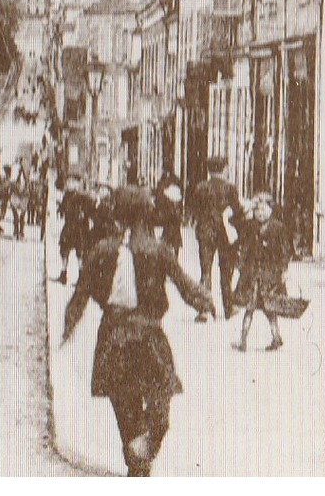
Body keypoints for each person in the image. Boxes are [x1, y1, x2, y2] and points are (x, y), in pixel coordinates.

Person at [61, 186, 215, 477]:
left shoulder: (101, 251)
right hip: (149, 339)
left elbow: (79, 296)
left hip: (113, 339)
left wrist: (68, 328)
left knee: (127, 411)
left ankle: (137, 463)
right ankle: (140, 461)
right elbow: (185, 286)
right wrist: (206, 301)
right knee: (159, 411)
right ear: (148, 213)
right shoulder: (158, 251)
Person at [232, 192, 293, 352]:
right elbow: (235, 224)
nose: (260, 213)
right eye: (257, 209)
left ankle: (275, 337)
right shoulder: (250, 225)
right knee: (250, 307)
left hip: (269, 274)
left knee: (269, 307)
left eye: (264, 209)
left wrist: (284, 269)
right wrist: (247, 208)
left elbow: (286, 250)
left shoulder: (278, 227)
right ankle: (244, 340)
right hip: (252, 273)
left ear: (272, 210)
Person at [190, 156, 242, 320]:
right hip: (225, 233)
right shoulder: (230, 188)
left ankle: (205, 309)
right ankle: (228, 307)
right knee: (226, 270)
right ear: (224, 168)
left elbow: (194, 211)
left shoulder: (200, 187)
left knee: (205, 271)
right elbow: (237, 210)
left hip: (205, 232)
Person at [57, 175, 92, 284]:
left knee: (80, 252)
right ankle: (63, 273)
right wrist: (60, 209)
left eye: (72, 182)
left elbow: (90, 211)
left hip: (81, 228)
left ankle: (81, 277)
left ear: (78, 184)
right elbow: (62, 210)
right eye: (68, 181)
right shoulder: (67, 195)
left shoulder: (84, 196)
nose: (68, 184)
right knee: (64, 249)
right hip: (69, 226)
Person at [153, 171, 185, 256]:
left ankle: (167, 252)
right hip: (175, 218)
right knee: (175, 235)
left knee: (168, 234)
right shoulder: (177, 191)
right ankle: (175, 253)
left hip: (168, 217)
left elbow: (159, 203)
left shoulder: (165, 191)